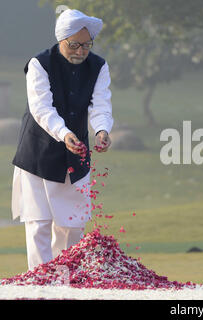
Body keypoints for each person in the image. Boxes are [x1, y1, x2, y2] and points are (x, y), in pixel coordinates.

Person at [11, 9, 114, 271]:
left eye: (86, 45)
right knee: (39, 222)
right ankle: (41, 281)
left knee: (72, 223)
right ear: (61, 40)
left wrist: (101, 130)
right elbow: (41, 108)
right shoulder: (39, 64)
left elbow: (100, 104)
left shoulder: (99, 66)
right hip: (38, 152)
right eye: (74, 45)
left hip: (75, 153)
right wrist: (65, 133)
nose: (81, 51)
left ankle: (66, 281)